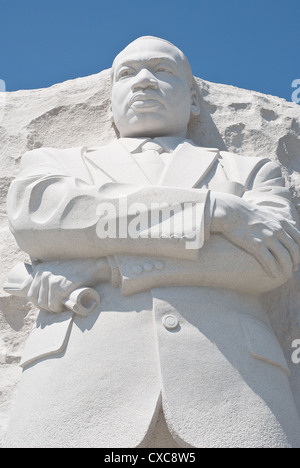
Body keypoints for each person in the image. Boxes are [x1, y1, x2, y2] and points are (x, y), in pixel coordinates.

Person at [4, 36, 300, 448]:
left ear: (194, 101)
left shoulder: (251, 171)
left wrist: (105, 267)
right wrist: (217, 213)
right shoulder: (55, 164)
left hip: (234, 385)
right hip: (74, 383)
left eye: (162, 71)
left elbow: (269, 260)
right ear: (109, 104)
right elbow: (45, 220)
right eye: (127, 74)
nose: (143, 81)